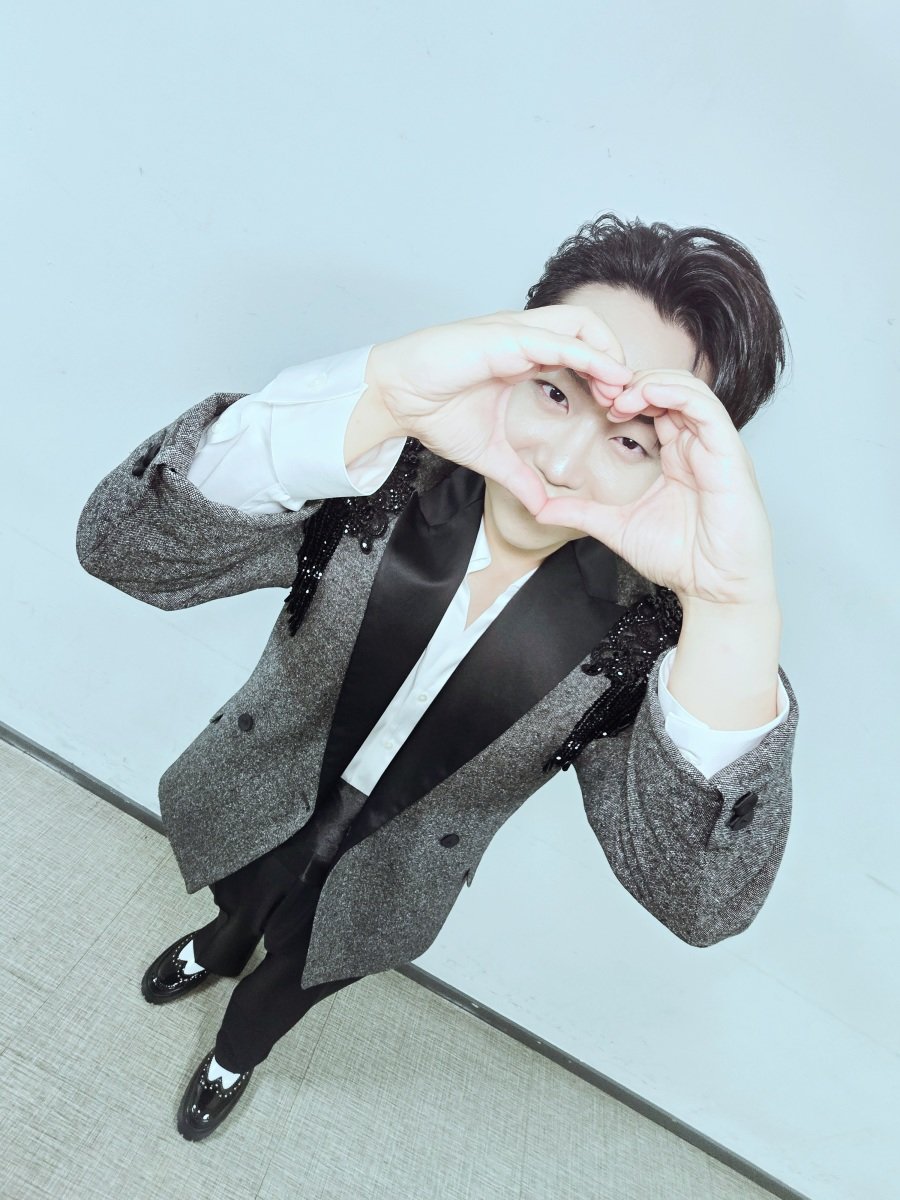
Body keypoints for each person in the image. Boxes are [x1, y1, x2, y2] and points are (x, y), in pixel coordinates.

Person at [75, 212, 799, 1141]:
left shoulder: (656, 636)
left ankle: (235, 1054)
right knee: (239, 898)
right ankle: (215, 949)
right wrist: (376, 391)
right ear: (514, 354)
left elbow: (704, 902)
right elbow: (123, 547)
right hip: (267, 783)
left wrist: (732, 607)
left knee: (294, 978)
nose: (561, 461)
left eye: (632, 442)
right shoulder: (382, 466)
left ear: (685, 463)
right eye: (556, 393)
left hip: (397, 872)